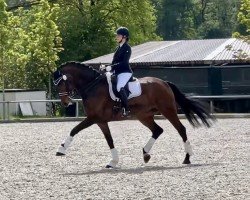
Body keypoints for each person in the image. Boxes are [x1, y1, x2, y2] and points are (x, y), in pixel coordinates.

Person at [105, 27, 133, 117]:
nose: (116, 37)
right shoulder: (118, 48)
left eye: (118, 35)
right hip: (117, 72)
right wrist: (106, 67)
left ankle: (126, 109)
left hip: (125, 72)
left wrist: (112, 67)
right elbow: (114, 62)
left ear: (124, 37)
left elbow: (124, 62)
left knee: (119, 86)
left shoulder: (127, 48)